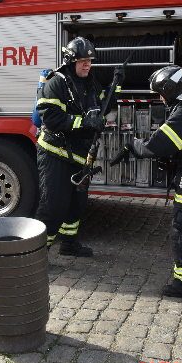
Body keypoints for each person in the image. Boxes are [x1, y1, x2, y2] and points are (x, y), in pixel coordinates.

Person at [111, 65, 182, 298]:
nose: (160, 98)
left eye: (161, 93)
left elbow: (156, 146)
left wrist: (132, 144)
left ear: (171, 90)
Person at [35, 37, 120, 257]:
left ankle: (69, 244)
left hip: (80, 155)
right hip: (55, 152)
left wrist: (114, 89)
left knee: (77, 203)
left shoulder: (91, 81)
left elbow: (102, 106)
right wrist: (83, 122)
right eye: (82, 61)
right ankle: (36, 254)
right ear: (71, 61)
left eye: (89, 61)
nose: (87, 65)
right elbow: (51, 118)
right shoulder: (57, 83)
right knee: (53, 206)